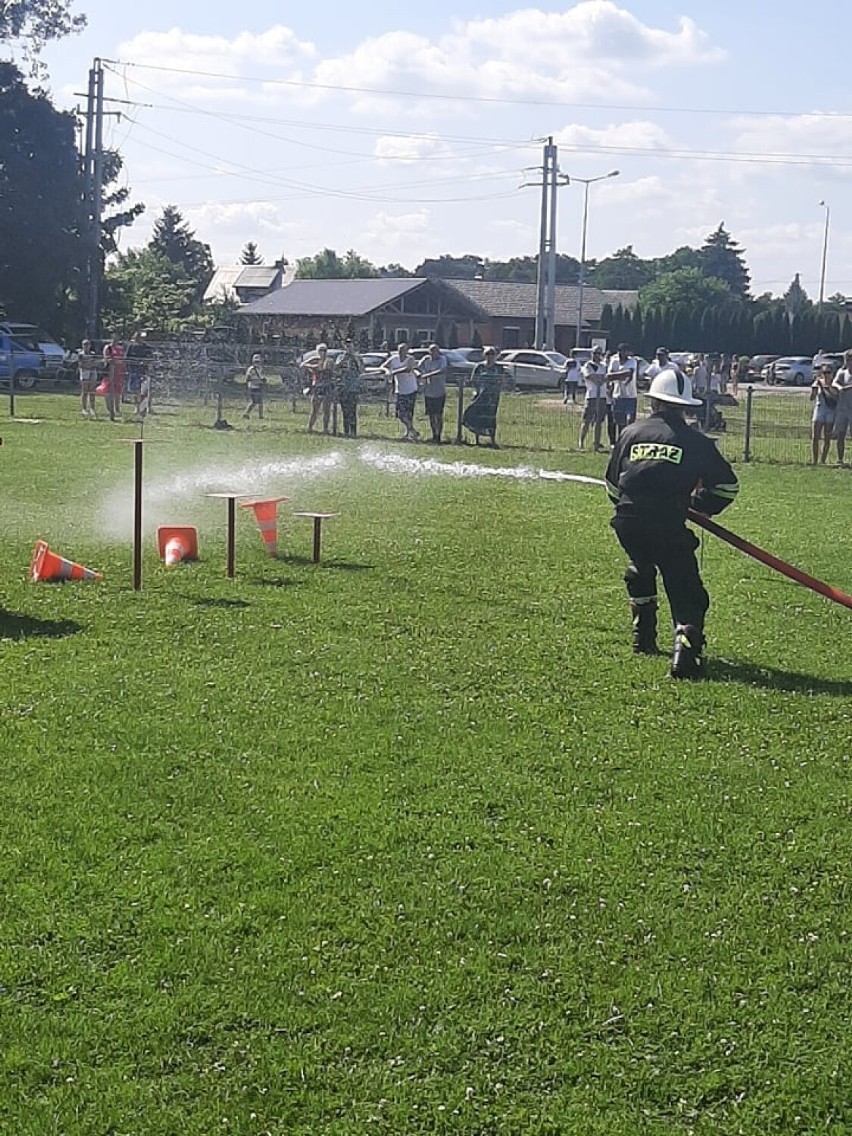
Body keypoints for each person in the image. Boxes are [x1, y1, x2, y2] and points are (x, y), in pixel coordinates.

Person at [605, 368, 740, 679]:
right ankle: (686, 653)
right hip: (668, 524)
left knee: (640, 566)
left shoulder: (630, 433)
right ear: (686, 406)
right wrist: (697, 506)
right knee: (686, 587)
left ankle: (644, 635)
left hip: (627, 522)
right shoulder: (697, 443)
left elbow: (612, 484)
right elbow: (727, 487)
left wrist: (635, 508)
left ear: (653, 402)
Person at [462, 346, 503, 447]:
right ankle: (477, 439)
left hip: (492, 397)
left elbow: (502, 381)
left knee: (490, 417)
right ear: (484, 355)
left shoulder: (499, 368)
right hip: (480, 394)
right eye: (488, 354)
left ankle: (492, 440)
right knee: (477, 415)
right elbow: (473, 380)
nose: (490, 356)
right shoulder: (479, 367)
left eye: (492, 354)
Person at [383, 342, 420, 441]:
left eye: (404, 350)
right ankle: (412, 430)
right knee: (399, 414)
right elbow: (383, 366)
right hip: (400, 390)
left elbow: (407, 369)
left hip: (411, 389)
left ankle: (409, 433)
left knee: (408, 412)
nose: (401, 352)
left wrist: (393, 372)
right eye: (400, 350)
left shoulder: (410, 359)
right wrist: (387, 371)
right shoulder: (394, 359)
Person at [577, 345, 608, 451]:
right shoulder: (588, 365)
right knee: (587, 420)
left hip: (603, 396)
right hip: (592, 396)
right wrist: (601, 378)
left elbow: (607, 377)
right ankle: (581, 442)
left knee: (599, 421)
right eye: (595, 353)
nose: (597, 355)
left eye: (599, 353)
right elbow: (591, 377)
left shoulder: (603, 366)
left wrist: (602, 378)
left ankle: (597, 443)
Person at [606, 343, 639, 440]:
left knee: (630, 420)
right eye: (623, 351)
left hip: (631, 395)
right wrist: (618, 375)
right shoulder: (614, 360)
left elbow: (629, 373)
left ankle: (629, 439)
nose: (625, 353)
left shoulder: (632, 361)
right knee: (620, 421)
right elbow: (609, 375)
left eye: (626, 351)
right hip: (618, 395)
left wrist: (615, 376)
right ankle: (620, 440)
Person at [418, 343, 448, 443]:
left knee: (438, 415)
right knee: (431, 415)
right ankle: (433, 434)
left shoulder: (442, 359)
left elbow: (442, 370)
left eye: (435, 350)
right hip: (428, 391)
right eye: (431, 351)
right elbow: (418, 368)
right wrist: (419, 374)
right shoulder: (426, 359)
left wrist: (427, 375)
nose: (433, 353)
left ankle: (439, 435)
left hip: (439, 391)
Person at [303, 343, 335, 434]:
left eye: (324, 350)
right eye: (321, 350)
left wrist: (316, 367)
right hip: (316, 386)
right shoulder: (315, 360)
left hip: (326, 386)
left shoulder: (329, 361)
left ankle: (325, 429)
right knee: (314, 409)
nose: (323, 352)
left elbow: (326, 369)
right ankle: (309, 427)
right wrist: (312, 365)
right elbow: (302, 365)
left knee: (326, 409)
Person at [810, 364, 837, 465]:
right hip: (820, 409)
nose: (826, 375)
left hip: (830, 411)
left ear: (832, 373)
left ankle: (823, 460)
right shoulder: (817, 383)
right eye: (824, 373)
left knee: (827, 437)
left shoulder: (835, 383)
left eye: (828, 373)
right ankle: (814, 460)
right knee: (815, 436)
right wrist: (814, 390)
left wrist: (828, 387)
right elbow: (812, 398)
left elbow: (836, 395)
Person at [336, 339, 362, 438]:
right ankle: (346, 431)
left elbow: (361, 370)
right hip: (343, 387)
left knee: (353, 411)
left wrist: (354, 359)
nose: (348, 347)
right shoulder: (341, 356)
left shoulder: (357, 357)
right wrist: (343, 360)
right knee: (345, 410)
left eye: (350, 345)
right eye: (346, 346)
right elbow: (336, 367)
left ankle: (353, 432)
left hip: (353, 387)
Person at [831, 349, 852, 466]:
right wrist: (839, 387)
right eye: (848, 360)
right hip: (842, 409)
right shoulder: (842, 373)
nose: (850, 363)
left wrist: (848, 387)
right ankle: (840, 459)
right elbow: (834, 383)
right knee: (840, 434)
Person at [125, 330, 151, 418]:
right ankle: (136, 407)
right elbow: (127, 358)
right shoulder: (131, 347)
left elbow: (149, 358)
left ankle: (146, 407)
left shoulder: (146, 347)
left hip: (143, 371)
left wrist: (146, 363)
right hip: (133, 371)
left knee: (144, 390)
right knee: (134, 391)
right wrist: (128, 368)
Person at [102, 333, 125, 421]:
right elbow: (106, 358)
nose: (115, 341)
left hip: (119, 372)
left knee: (117, 391)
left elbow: (123, 359)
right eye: (114, 339)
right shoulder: (108, 347)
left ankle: (117, 408)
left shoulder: (120, 349)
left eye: (117, 339)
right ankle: (109, 409)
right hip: (110, 371)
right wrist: (114, 361)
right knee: (108, 390)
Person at [78, 338, 98, 418]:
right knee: (85, 391)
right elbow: (81, 364)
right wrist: (89, 364)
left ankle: (92, 408)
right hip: (85, 372)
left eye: (88, 344)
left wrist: (90, 364)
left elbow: (95, 363)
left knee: (92, 391)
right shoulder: (81, 354)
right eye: (85, 345)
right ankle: (84, 408)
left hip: (92, 372)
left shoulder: (93, 353)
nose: (86, 346)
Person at [243, 353, 266, 419]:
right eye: (256, 361)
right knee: (253, 402)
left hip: (259, 386)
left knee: (260, 402)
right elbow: (247, 378)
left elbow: (261, 376)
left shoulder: (260, 368)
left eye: (258, 361)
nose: (257, 363)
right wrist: (255, 381)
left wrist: (262, 380)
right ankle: (246, 414)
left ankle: (260, 416)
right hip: (252, 387)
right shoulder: (251, 369)